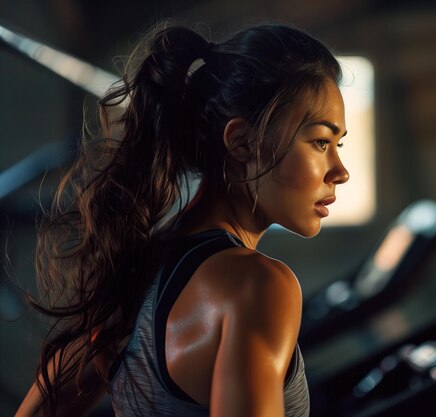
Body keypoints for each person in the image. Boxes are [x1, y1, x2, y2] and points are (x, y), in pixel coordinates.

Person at [15, 22, 349, 417]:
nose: (340, 171)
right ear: (241, 141)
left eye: (338, 145)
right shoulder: (258, 286)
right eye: (320, 142)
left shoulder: (138, 262)